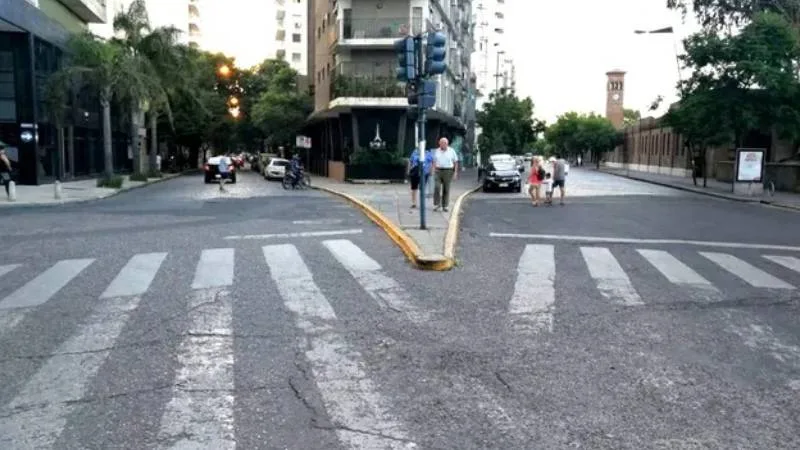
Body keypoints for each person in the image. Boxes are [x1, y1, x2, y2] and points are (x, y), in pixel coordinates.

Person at [432, 137, 459, 212]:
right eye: (442, 143)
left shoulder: (451, 151)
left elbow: (456, 162)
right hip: (438, 170)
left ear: (447, 144)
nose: (443, 145)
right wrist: (432, 170)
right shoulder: (437, 151)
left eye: (445, 143)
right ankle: (437, 204)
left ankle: (445, 205)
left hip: (448, 170)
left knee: (446, 188)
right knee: (437, 187)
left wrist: (455, 172)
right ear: (439, 143)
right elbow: (434, 161)